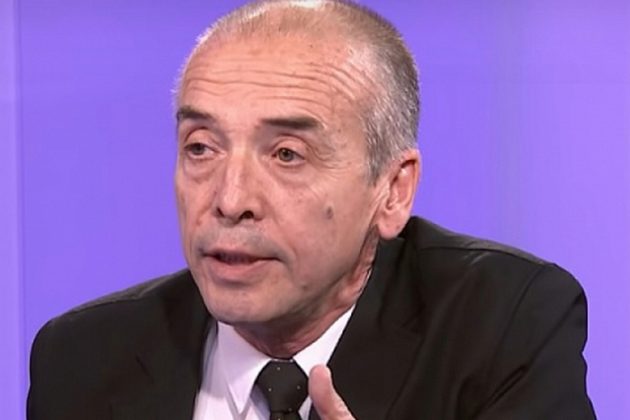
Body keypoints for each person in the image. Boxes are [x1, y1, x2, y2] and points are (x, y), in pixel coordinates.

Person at [27, 1, 596, 419]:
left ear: (392, 191)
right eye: (200, 148)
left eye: (286, 154)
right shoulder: (81, 360)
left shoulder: (500, 326)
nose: (230, 200)